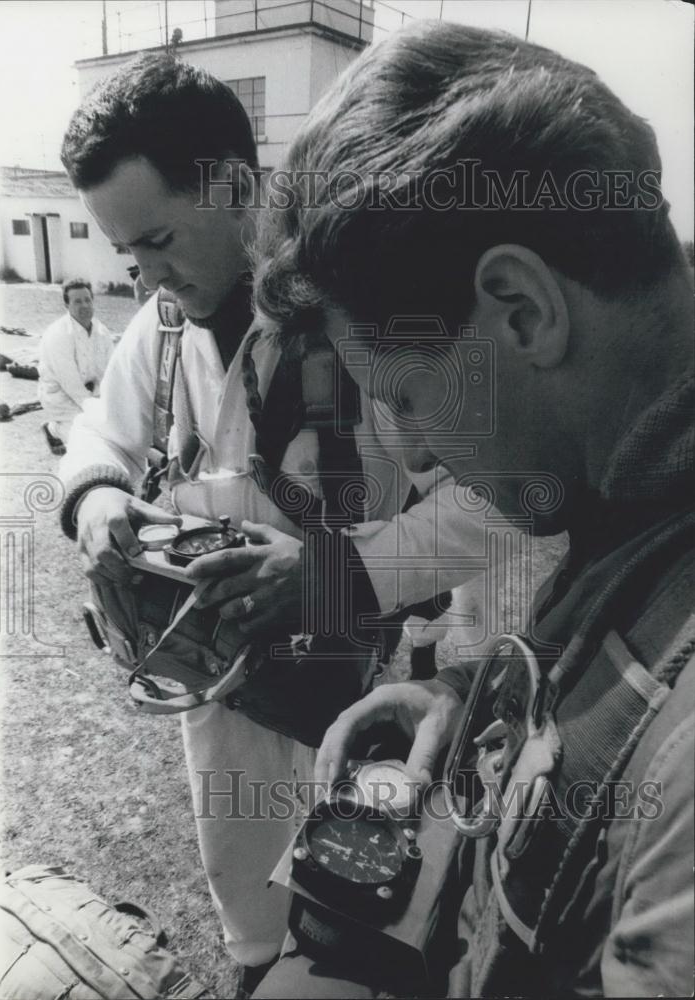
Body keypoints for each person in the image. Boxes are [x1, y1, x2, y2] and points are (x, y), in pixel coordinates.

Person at [57, 52, 524, 995]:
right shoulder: (166, 323)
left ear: (234, 186)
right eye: (127, 255)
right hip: (232, 690)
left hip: (375, 691)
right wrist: (100, 500)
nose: (146, 275)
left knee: (358, 935)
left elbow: (501, 502)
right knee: (249, 914)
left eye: (157, 239)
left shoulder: (365, 299)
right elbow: (98, 432)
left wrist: (333, 576)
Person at [250, 19, 695, 998]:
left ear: (522, 309)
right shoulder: (625, 483)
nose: (409, 448)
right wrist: (469, 707)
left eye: (407, 397)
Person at [38, 278, 116, 455]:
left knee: (113, 427)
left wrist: (104, 402)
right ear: (67, 305)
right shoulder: (58, 335)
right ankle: (53, 429)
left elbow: (108, 373)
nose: (84, 306)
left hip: (91, 393)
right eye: (77, 301)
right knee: (87, 440)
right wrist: (96, 412)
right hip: (60, 395)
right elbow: (70, 383)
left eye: (87, 300)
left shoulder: (102, 332)